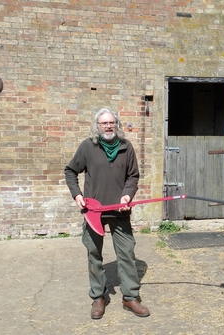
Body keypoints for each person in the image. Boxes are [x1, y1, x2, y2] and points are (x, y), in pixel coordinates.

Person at [64, 108, 150, 319]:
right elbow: (70, 171)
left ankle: (130, 297)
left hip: (119, 211)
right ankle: (98, 297)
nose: (109, 126)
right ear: (97, 126)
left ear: (117, 124)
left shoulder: (126, 146)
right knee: (94, 254)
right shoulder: (88, 146)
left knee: (127, 253)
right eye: (104, 123)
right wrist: (77, 195)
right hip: (93, 211)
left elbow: (133, 176)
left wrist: (127, 196)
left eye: (112, 122)